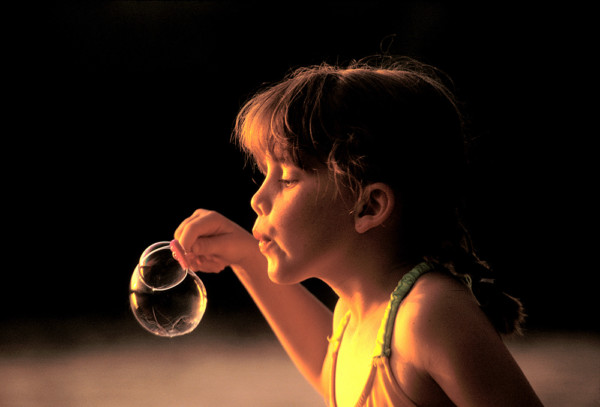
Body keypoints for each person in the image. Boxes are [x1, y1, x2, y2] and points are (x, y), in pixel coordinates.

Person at [173, 57, 543, 406]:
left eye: (286, 178)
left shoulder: (429, 315)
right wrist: (246, 257)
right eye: (263, 174)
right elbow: (330, 371)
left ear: (369, 207)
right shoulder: (354, 314)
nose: (257, 197)